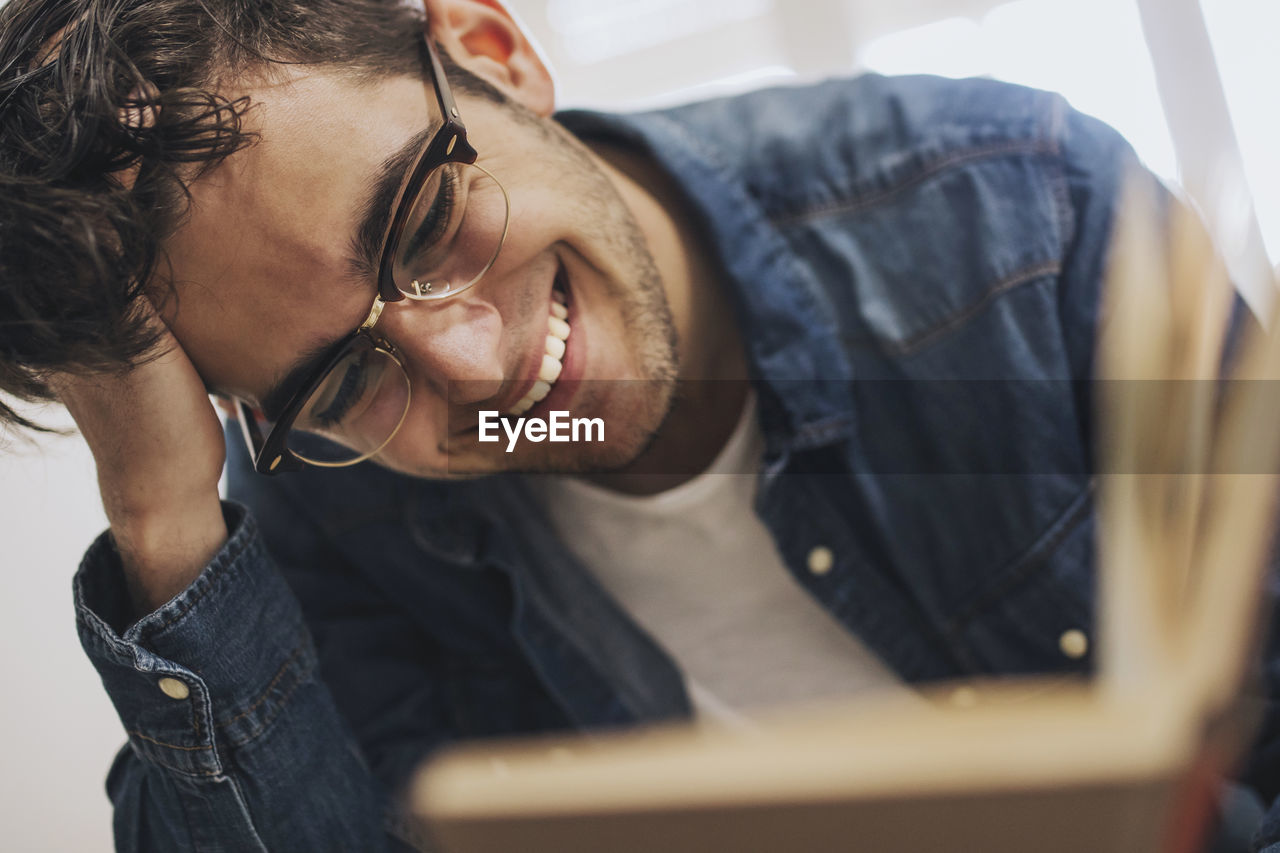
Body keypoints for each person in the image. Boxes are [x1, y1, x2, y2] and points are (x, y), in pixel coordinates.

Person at [1, 0, 1276, 850]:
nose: (474, 363)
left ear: (494, 52)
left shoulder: (1016, 220)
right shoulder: (328, 501)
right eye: (343, 379)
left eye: (424, 222)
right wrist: (164, 522)